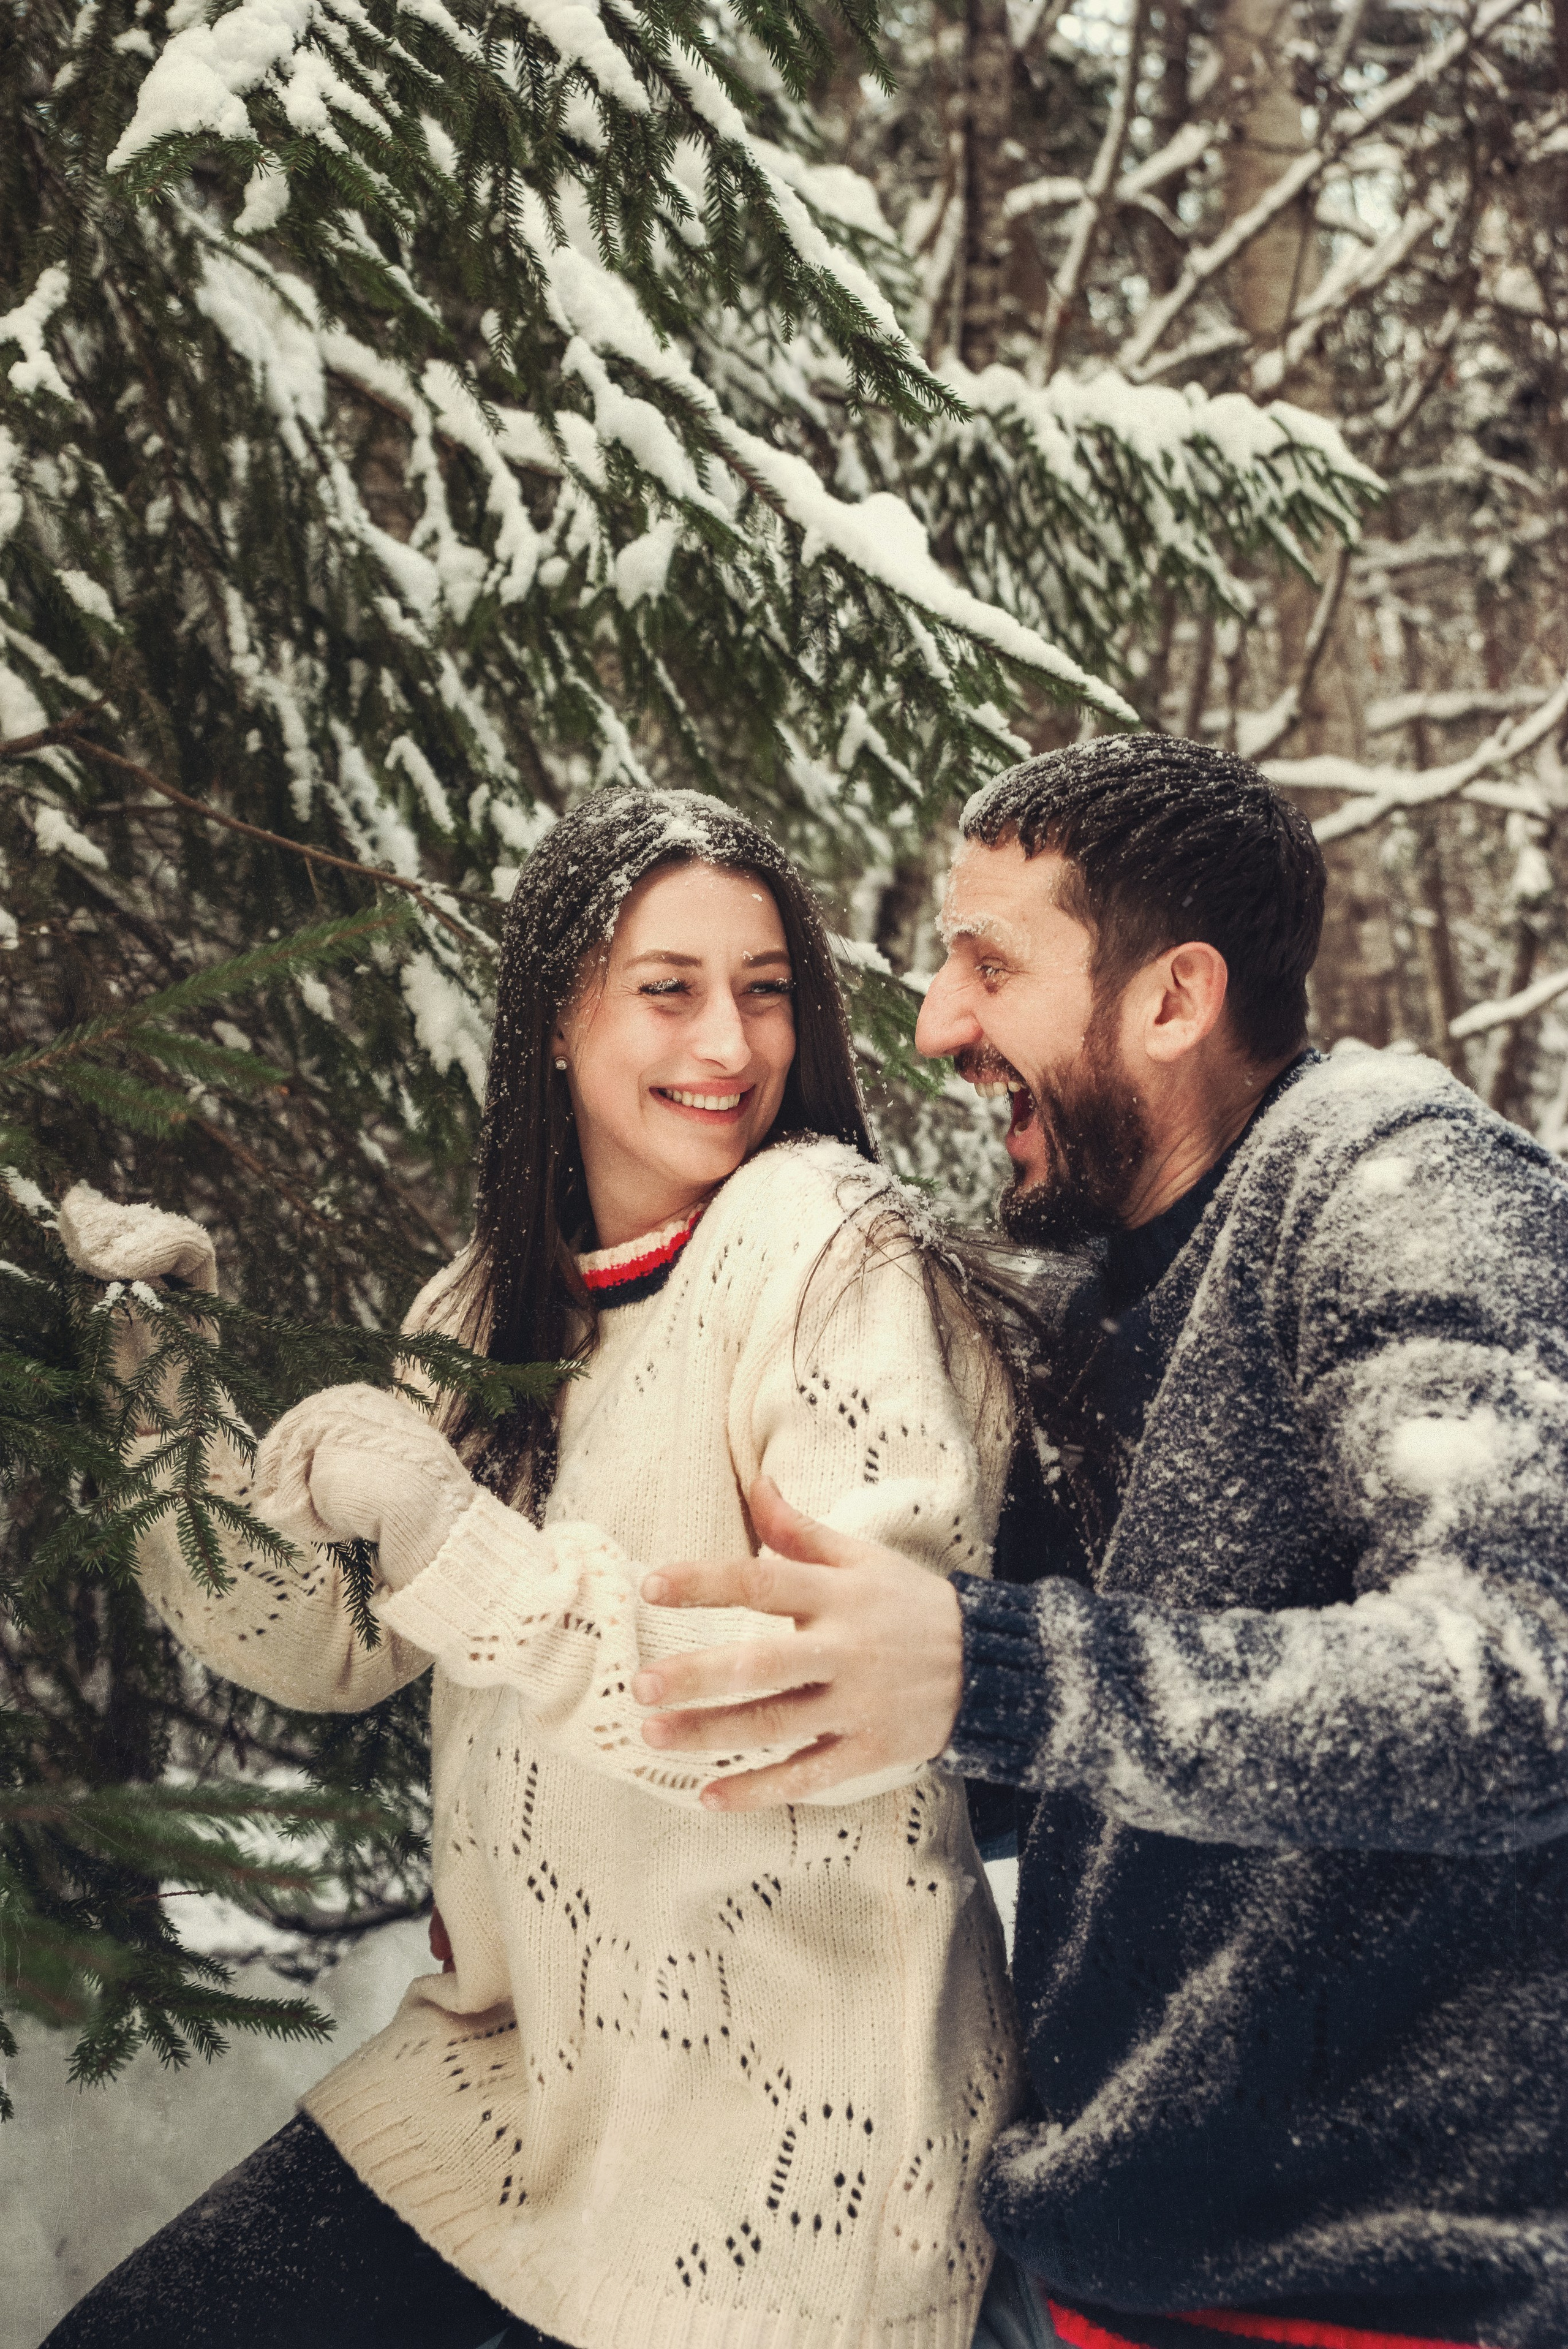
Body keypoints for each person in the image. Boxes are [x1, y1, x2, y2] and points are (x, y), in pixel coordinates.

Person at [48, 787, 1031, 2349]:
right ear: (555, 1024)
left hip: (778, 2176)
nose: (728, 1044)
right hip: (502, 2096)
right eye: (668, 989)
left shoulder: (824, 1238)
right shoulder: (489, 1301)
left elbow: (822, 1715)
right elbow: (316, 1640)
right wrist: (148, 1366)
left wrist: (449, 1533)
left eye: (763, 988)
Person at [632, 735, 1568, 2349]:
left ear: (1172, 998)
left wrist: (993, 1666)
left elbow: (1521, 1689)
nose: (936, 1024)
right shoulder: (1093, 1294)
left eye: (990, 963)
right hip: (1109, 2265)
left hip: (1391, 2289)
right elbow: (1091, 1757)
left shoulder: (1398, 1178)